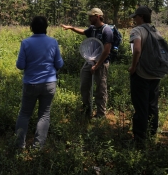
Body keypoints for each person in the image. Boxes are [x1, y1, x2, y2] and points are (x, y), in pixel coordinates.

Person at [15, 16, 64, 149]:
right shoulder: (53, 42)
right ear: (46, 28)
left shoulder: (26, 43)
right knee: (44, 115)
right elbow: (59, 63)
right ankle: (38, 147)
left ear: (32, 27)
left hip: (31, 83)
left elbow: (20, 65)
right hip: (49, 84)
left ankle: (19, 145)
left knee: (25, 114)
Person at [61, 8, 113, 119]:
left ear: (98, 16)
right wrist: (71, 28)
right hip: (90, 61)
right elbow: (84, 32)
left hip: (102, 63)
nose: (89, 18)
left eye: (91, 16)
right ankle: (86, 109)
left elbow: (107, 50)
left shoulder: (107, 30)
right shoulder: (92, 28)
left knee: (100, 88)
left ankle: (100, 114)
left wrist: (97, 65)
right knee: (84, 85)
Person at [128, 6, 162, 146]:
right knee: (152, 104)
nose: (134, 19)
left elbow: (136, 49)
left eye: (135, 17)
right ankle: (152, 133)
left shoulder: (137, 30)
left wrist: (133, 67)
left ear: (141, 17)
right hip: (155, 73)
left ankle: (139, 138)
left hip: (141, 74)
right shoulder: (156, 31)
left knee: (140, 106)